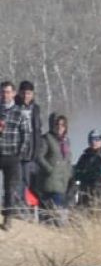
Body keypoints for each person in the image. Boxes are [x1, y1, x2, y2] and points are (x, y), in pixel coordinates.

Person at [31, 113, 73, 225]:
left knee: (58, 216)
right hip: (48, 183)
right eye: (57, 124)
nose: (60, 127)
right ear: (52, 125)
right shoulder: (46, 139)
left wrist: (69, 174)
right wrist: (49, 169)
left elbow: (68, 160)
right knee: (48, 215)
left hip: (62, 183)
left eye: (63, 125)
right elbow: (39, 156)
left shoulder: (66, 141)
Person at [0, 81, 32, 228]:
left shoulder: (20, 112)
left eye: (7, 92)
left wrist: (20, 153)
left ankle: (8, 218)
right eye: (2, 92)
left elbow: (26, 134)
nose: (5, 95)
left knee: (9, 188)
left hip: (12, 155)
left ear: (13, 94)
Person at [13, 83, 44, 211]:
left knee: (27, 180)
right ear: (19, 93)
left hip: (31, 151)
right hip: (16, 149)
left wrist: (38, 148)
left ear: (33, 94)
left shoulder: (35, 108)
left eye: (29, 93)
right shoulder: (14, 107)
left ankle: (23, 205)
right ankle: (15, 205)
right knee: (16, 179)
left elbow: (38, 129)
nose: (26, 96)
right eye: (24, 93)